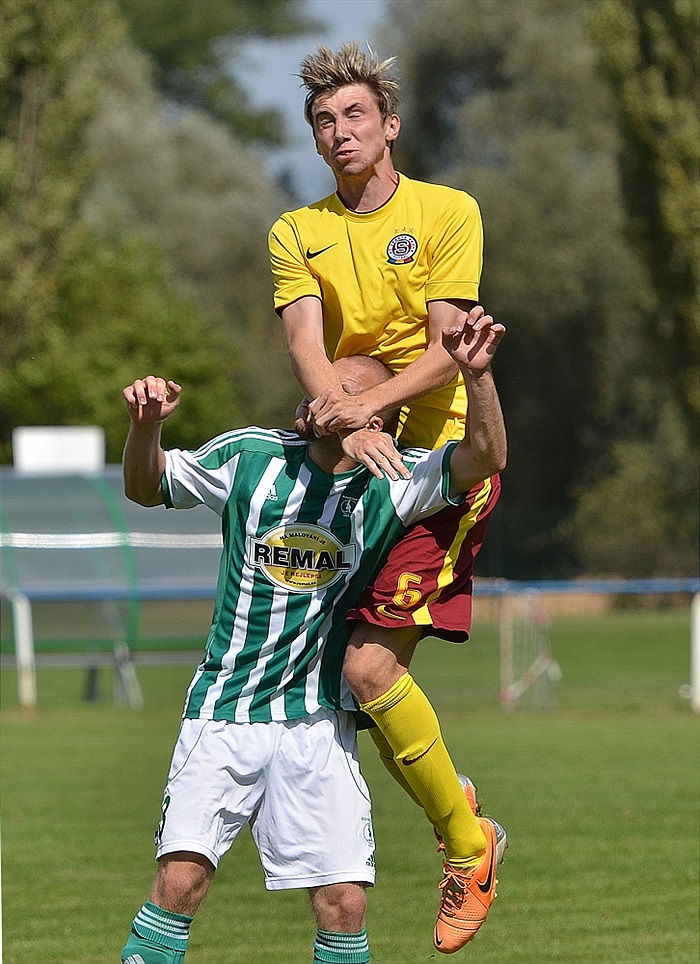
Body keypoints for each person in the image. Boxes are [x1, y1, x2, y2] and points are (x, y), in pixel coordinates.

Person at [119, 314, 506, 964]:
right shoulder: (251, 456)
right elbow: (145, 485)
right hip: (223, 714)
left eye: (341, 386)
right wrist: (145, 425)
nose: (317, 392)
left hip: (318, 728)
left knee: (342, 905)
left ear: (374, 417)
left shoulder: (396, 478)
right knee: (179, 882)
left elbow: (487, 456)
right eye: (315, 380)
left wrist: (478, 374)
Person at [268, 42, 504, 953]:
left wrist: (363, 405)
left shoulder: (447, 212)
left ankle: (467, 844)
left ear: (390, 124)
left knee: (368, 673)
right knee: (336, 685)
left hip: (441, 465)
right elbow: (307, 349)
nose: (339, 132)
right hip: (353, 458)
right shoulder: (296, 230)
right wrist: (341, 416)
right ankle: (389, 866)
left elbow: (453, 344)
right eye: (324, 121)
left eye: (355, 115)